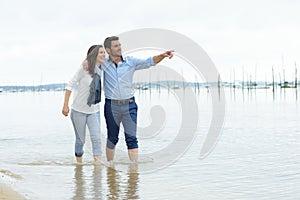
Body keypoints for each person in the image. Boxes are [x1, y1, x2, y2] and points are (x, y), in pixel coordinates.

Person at [102, 36, 174, 162]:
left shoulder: (130, 61)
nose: (119, 48)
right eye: (116, 46)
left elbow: (149, 61)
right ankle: (110, 169)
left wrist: (162, 56)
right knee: (112, 138)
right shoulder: (103, 64)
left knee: (131, 138)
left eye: (119, 45)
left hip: (129, 105)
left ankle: (134, 171)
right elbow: (89, 67)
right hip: (111, 106)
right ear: (108, 50)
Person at [62, 45, 105, 164]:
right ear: (94, 55)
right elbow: (70, 84)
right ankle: (79, 165)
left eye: (104, 53)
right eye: (101, 52)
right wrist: (65, 105)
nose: (104, 55)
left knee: (96, 138)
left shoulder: (103, 68)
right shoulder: (84, 68)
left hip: (94, 111)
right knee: (80, 140)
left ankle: (97, 167)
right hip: (78, 111)